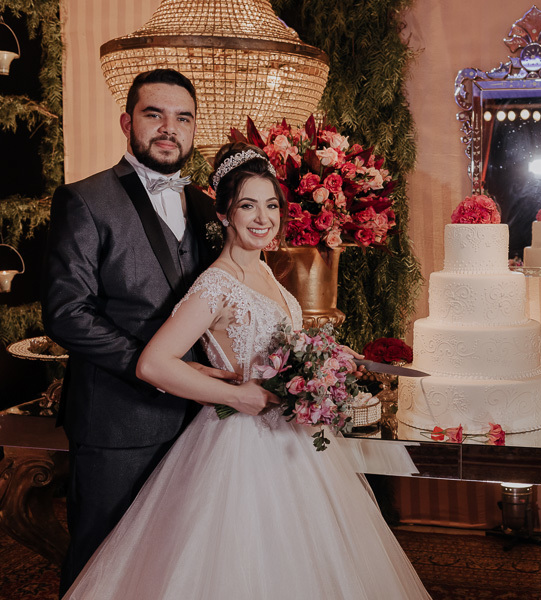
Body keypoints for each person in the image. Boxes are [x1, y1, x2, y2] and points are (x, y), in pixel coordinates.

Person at [60, 142, 432, 599]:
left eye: (271, 205)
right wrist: (238, 396)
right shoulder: (216, 282)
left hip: (294, 442)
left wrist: (327, 358)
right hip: (240, 445)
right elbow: (153, 363)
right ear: (224, 215)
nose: (263, 218)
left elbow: (278, 344)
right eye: (248, 206)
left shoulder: (266, 273)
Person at [41, 69, 238, 595]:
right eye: (155, 115)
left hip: (198, 425)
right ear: (127, 122)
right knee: (100, 561)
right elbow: (66, 311)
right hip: (115, 420)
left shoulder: (206, 206)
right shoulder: (85, 200)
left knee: (175, 563)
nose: (169, 128)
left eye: (183, 118)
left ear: (195, 131)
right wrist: (156, 369)